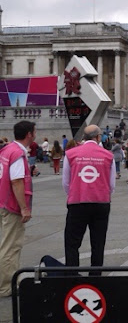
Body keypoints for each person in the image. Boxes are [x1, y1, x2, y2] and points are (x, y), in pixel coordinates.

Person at [62, 125, 115, 273]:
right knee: (98, 243)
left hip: (77, 201)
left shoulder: (71, 154)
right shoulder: (107, 155)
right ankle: (95, 276)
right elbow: (111, 184)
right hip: (101, 202)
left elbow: (66, 182)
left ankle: (72, 276)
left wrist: (74, 193)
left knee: (72, 242)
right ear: (98, 137)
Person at [0, 121, 36, 297]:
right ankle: (6, 286)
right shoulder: (16, 153)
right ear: (29, 134)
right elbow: (16, 181)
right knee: (11, 246)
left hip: (3, 202)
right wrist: (24, 208)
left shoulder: (7, 150)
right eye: (34, 132)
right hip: (12, 205)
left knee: (6, 244)